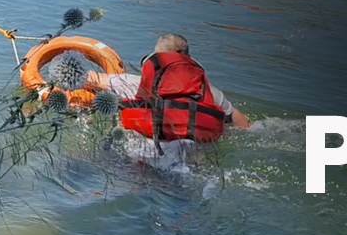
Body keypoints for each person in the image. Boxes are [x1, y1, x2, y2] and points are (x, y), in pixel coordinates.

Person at [86, 34, 250, 150]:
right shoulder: (212, 93)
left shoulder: (135, 84)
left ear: (154, 59)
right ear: (189, 59)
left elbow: (90, 79)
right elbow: (243, 124)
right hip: (196, 155)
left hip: (152, 153)